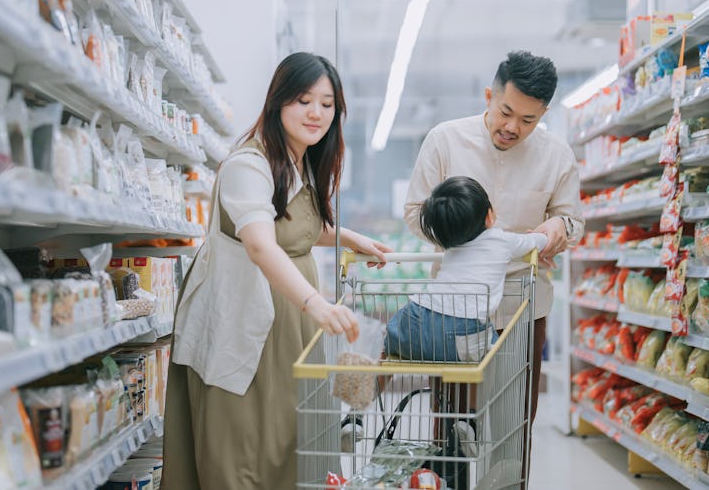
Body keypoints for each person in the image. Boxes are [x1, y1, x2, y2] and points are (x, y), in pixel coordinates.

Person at [162, 52, 391, 490]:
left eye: (327, 104)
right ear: (277, 101)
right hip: (246, 325)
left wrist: (348, 238)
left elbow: (293, 226)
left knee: (292, 442)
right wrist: (314, 302)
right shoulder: (248, 165)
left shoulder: (300, 159)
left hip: (290, 325)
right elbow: (260, 243)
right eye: (304, 100)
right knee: (244, 450)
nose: (316, 113)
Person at [403, 50, 584, 429]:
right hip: (453, 308)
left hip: (523, 309)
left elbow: (572, 222)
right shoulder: (445, 141)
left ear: (544, 114)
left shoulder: (557, 156)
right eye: (506, 112)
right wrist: (470, 240)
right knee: (451, 423)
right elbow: (415, 212)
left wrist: (557, 228)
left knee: (515, 427)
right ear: (489, 96)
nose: (513, 127)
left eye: (528, 120)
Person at [386, 176, 548, 363]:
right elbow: (535, 241)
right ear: (489, 216)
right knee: (492, 360)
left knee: (392, 343)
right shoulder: (500, 240)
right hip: (464, 331)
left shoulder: (450, 245)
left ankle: (379, 371)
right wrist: (545, 237)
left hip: (417, 318)